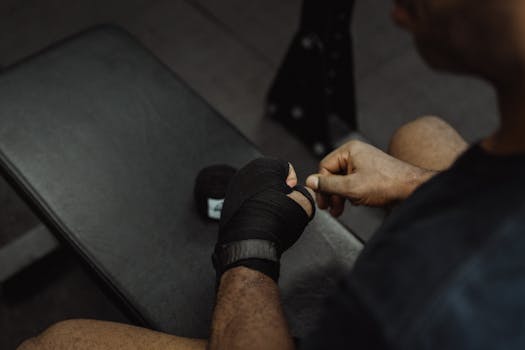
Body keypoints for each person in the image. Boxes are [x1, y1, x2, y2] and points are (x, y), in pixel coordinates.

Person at [17, 0, 525, 348]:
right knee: (423, 135)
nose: (397, 14)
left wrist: (249, 246)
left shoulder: (430, 304)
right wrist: (416, 181)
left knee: (54, 344)